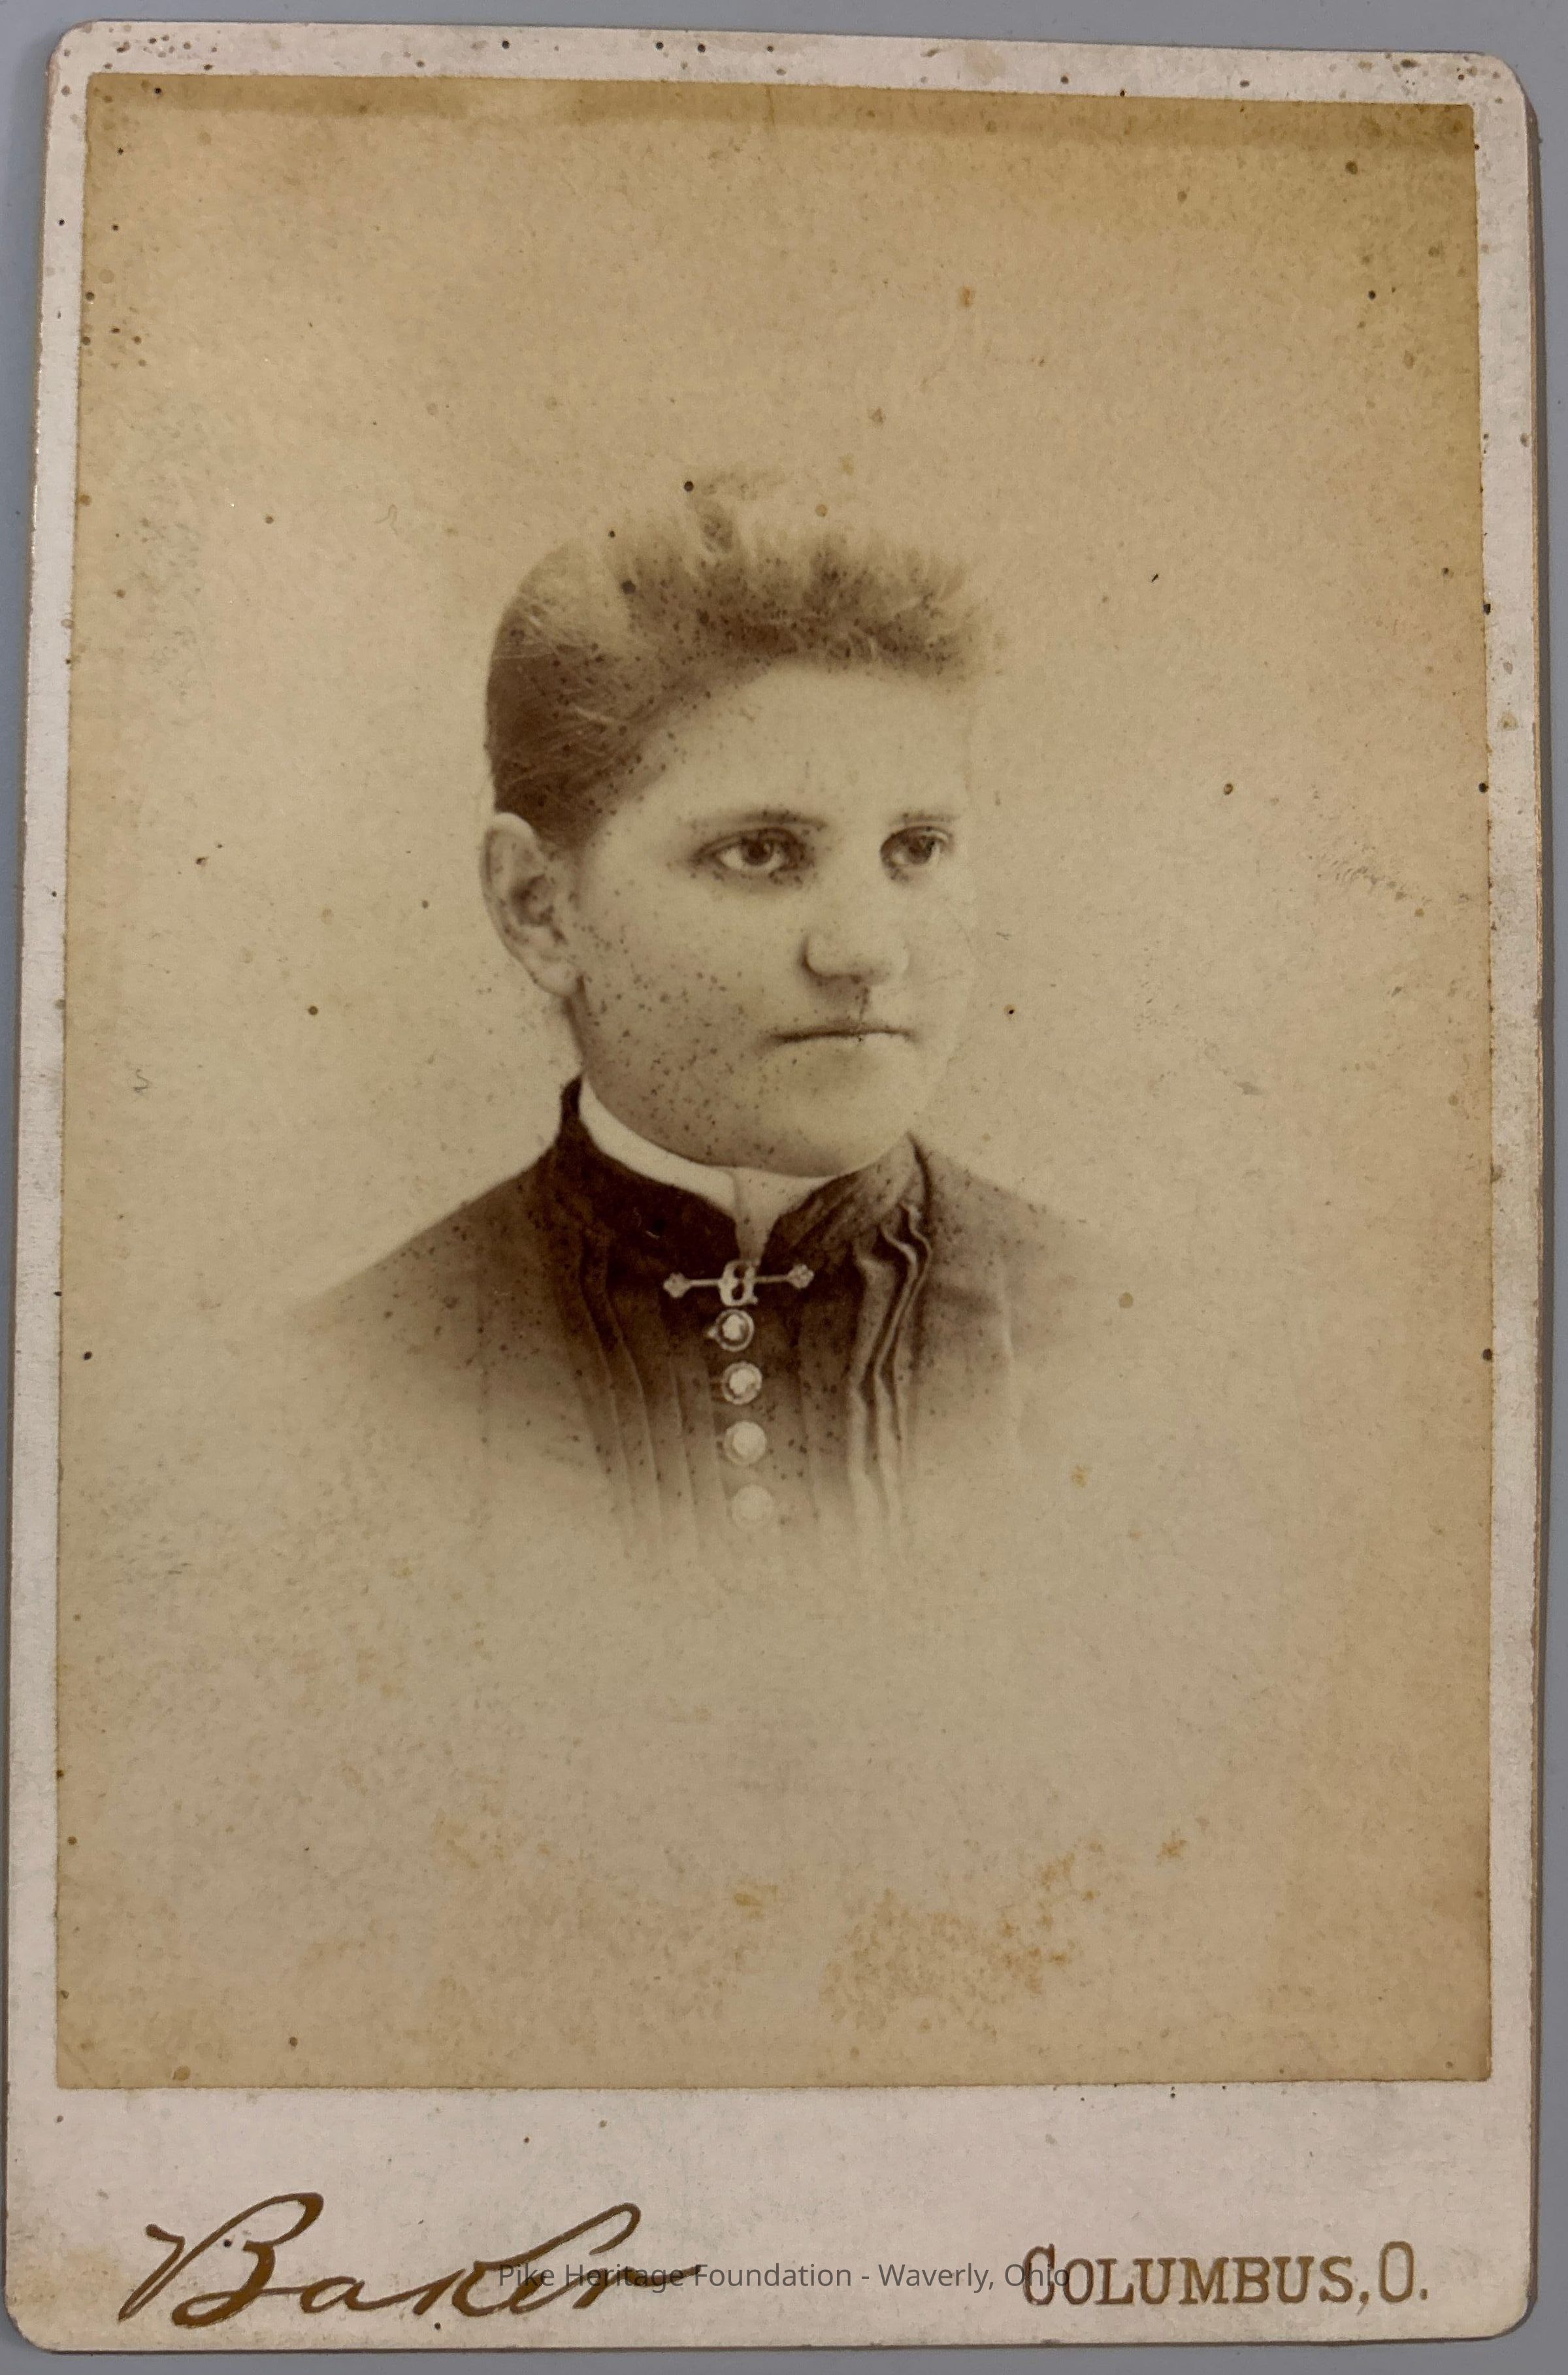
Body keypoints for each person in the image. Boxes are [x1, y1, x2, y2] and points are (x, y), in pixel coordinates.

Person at [323, 483, 1061, 1570]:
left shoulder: (1140, 1349)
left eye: (916, 850)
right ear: (539, 908)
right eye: (760, 853)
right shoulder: (342, 1388)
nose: (865, 951)